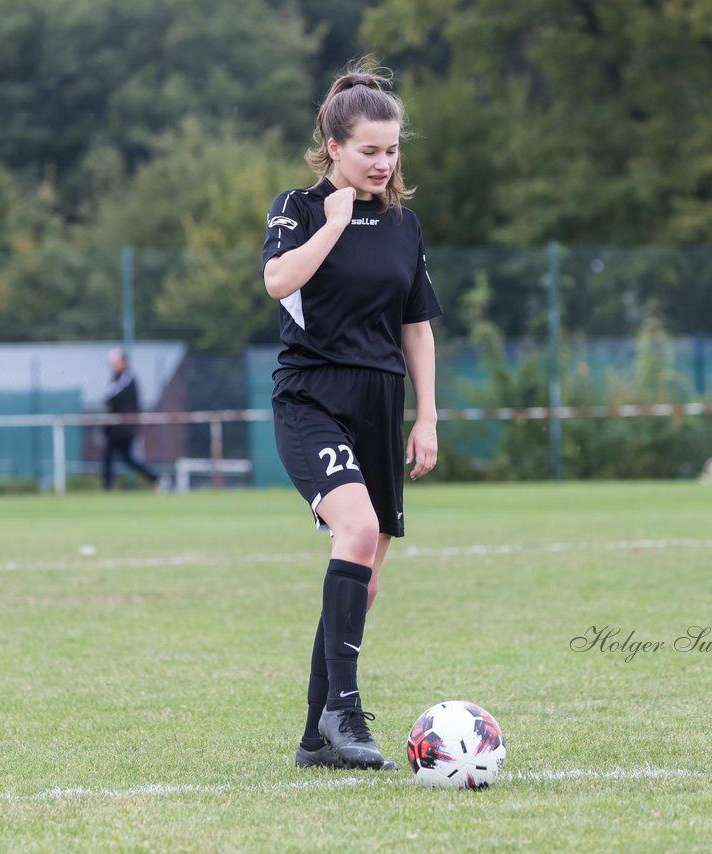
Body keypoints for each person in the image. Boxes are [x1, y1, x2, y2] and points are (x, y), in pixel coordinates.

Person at [261, 58, 442, 771]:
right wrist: (333, 224)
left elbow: (417, 326)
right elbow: (278, 281)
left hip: (379, 402)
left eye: (392, 150)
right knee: (357, 529)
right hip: (311, 395)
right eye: (369, 150)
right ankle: (345, 710)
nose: (383, 162)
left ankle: (316, 739)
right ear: (334, 147)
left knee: (362, 574)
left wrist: (426, 417)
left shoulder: (404, 226)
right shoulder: (298, 209)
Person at [101, 347, 162, 490]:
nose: (112, 366)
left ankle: (156, 478)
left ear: (123, 362)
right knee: (113, 457)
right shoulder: (116, 378)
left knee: (124, 458)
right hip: (115, 427)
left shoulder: (126, 378)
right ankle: (108, 487)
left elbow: (109, 395)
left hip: (124, 428)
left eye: (115, 362)